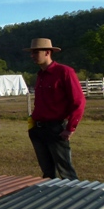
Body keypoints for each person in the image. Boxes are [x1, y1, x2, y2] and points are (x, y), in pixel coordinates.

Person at [25, 38, 86, 180]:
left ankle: (74, 199)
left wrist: (70, 128)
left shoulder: (65, 72)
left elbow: (78, 101)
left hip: (55, 128)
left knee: (65, 171)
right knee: (47, 173)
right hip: (38, 128)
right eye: (32, 52)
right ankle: (50, 200)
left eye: (35, 52)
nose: (32, 55)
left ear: (47, 52)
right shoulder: (40, 75)